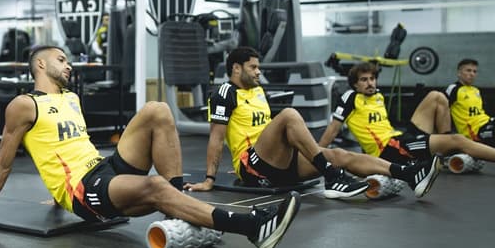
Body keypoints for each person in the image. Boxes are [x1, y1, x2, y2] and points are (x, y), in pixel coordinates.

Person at [0, 45, 299, 248]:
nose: (69, 65)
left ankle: (180, 211)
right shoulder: (24, 105)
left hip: (104, 168)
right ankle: (252, 227)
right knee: (156, 186)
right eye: (61, 59)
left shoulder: (70, 98)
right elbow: (2, 165)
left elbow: (63, 148)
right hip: (85, 191)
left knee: (157, 110)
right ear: (40, 64)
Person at [184, 47, 439, 199]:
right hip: (252, 166)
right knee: (289, 115)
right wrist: (209, 178)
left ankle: (409, 174)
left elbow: (263, 132)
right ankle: (332, 176)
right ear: (236, 68)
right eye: (253, 67)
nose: (259, 71)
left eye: (259, 67)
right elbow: (216, 139)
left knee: (339, 153)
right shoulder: (224, 93)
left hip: (274, 160)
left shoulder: (258, 91)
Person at [318, 62, 495, 178]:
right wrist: (316, 155)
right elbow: (333, 129)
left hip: (400, 138)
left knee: (436, 96)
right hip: (389, 149)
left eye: (372, 78)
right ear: (355, 84)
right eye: (364, 80)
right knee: (458, 139)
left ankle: (443, 148)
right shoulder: (350, 97)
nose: (370, 83)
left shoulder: (378, 96)